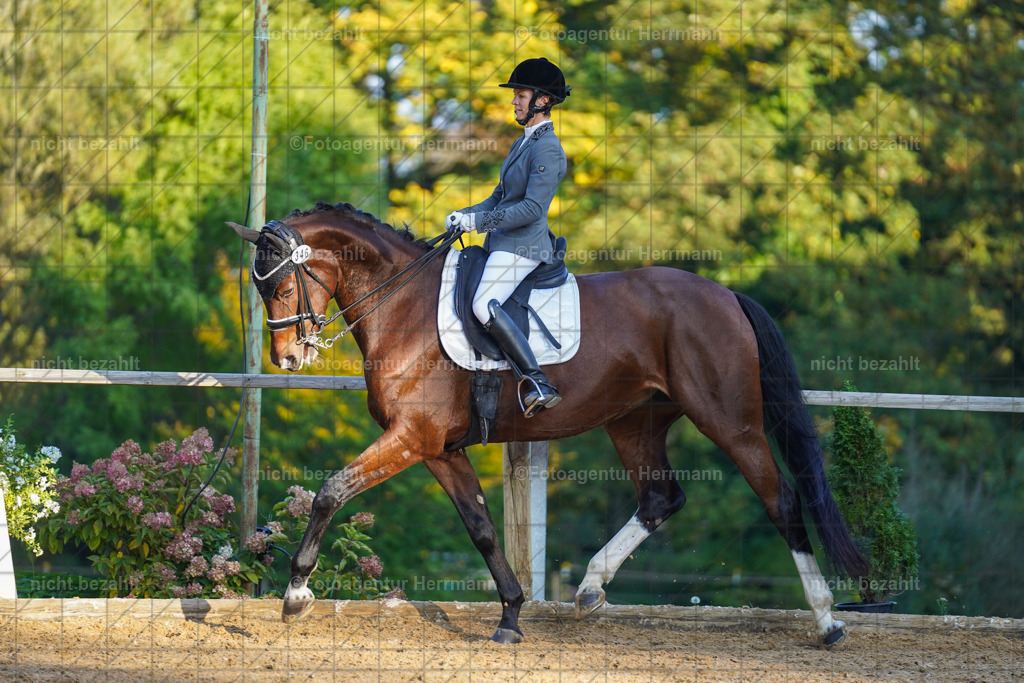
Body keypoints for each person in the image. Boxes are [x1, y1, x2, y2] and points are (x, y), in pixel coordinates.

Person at [446, 57, 570, 418]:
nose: (514, 101)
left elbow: (531, 208)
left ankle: (537, 381)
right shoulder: (523, 143)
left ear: (542, 100)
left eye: (521, 95)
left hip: (525, 245)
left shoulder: (548, 148)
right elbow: (500, 197)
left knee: (483, 305)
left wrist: (478, 222)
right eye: (515, 95)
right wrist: (466, 215)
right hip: (503, 242)